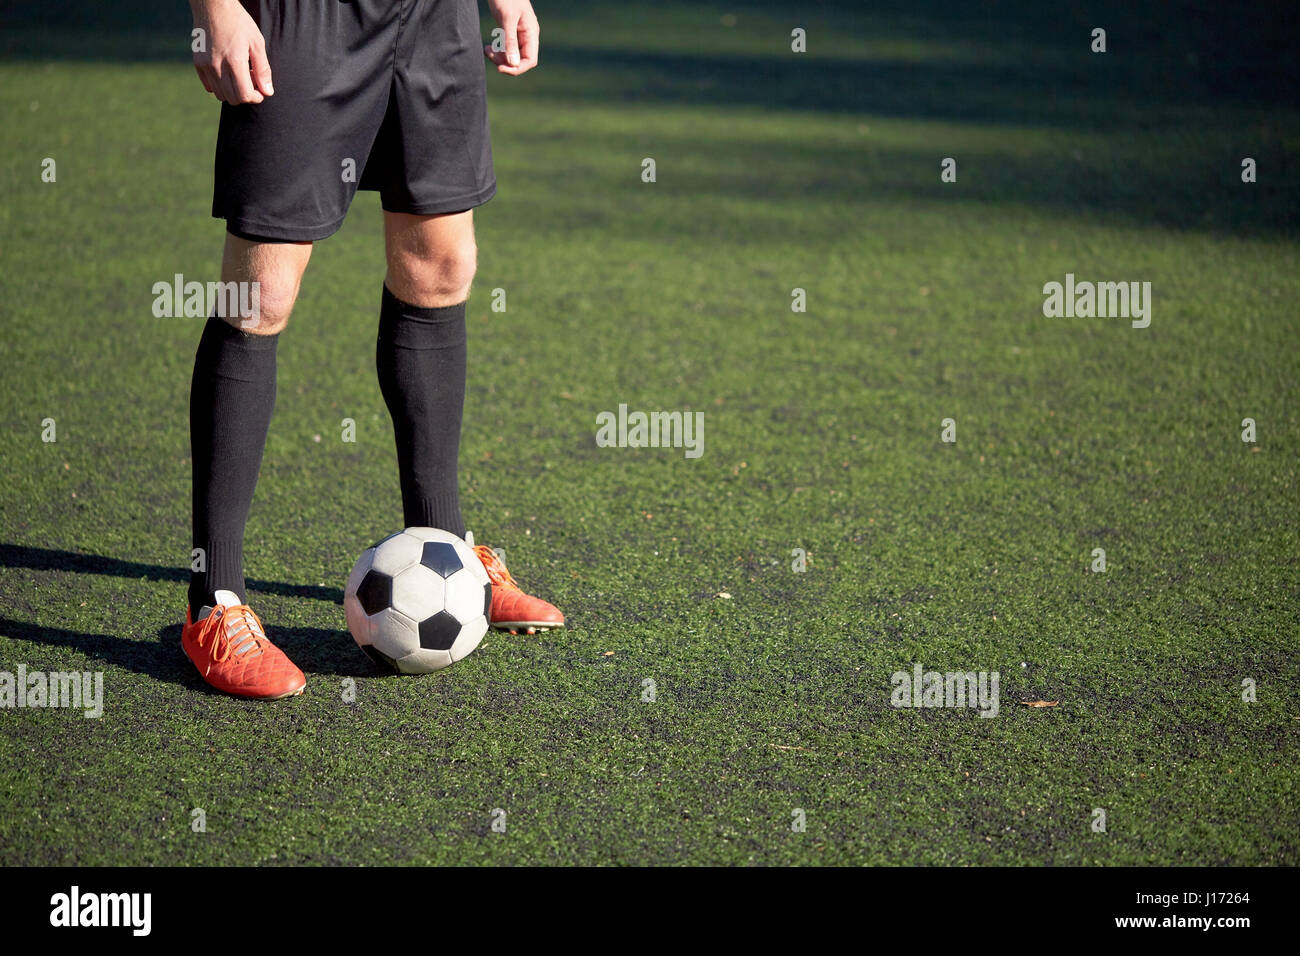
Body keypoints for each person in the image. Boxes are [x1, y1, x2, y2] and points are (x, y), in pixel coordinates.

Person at [182, 0, 561, 700]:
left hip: (434, 20)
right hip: (303, 20)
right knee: (259, 295)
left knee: (440, 267)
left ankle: (446, 544)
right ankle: (215, 602)